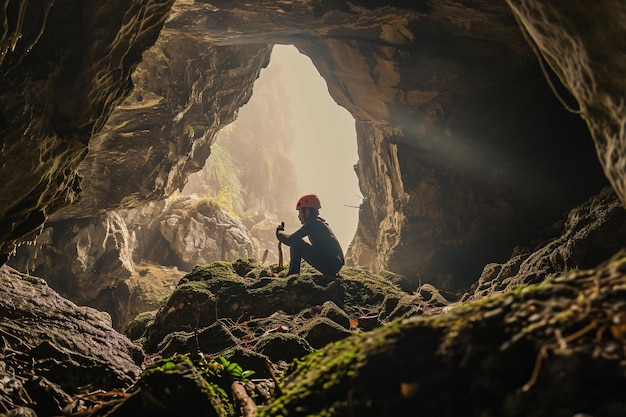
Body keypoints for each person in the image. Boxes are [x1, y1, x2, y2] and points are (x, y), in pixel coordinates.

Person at [276, 194, 345, 276]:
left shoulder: (313, 223)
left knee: (297, 243)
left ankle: (293, 275)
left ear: (307, 212)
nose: (299, 216)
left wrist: (279, 233)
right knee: (298, 243)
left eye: (300, 212)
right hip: (334, 265)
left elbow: (290, 240)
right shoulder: (319, 223)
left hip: (330, 265)